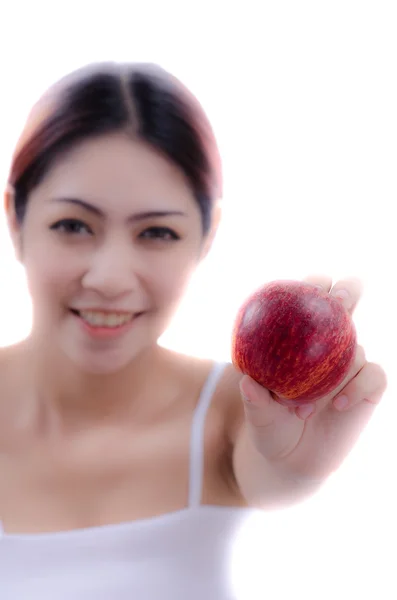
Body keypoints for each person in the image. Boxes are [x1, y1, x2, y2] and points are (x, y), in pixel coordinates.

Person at [0, 61, 387, 599]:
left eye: (157, 232)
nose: (110, 278)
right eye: (73, 225)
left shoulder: (240, 411)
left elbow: (268, 474)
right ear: (15, 218)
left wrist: (295, 468)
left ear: (206, 240)